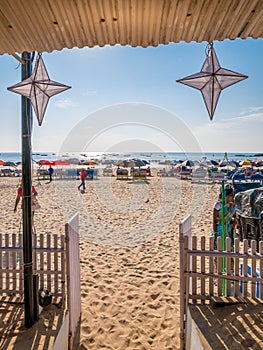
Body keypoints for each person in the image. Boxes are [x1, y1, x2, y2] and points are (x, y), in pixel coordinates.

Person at [213, 185, 236, 249]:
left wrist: (233, 220)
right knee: (219, 247)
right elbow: (214, 220)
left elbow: (233, 216)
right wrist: (215, 232)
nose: (233, 197)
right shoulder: (218, 205)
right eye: (231, 195)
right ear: (226, 196)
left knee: (229, 247)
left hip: (229, 229)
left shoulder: (232, 205)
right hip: (220, 228)